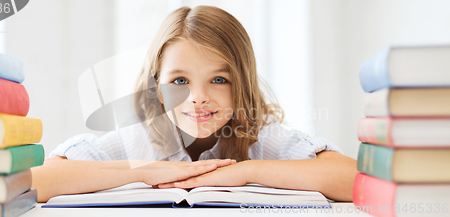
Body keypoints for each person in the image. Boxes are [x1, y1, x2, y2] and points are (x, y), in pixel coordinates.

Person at [32, 5, 357, 203]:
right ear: (157, 88)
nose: (198, 97)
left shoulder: (261, 137)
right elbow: (36, 180)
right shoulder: (139, 138)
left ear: (241, 85)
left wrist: (245, 172)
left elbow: (352, 179)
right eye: (180, 81)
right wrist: (146, 171)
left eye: (218, 80)